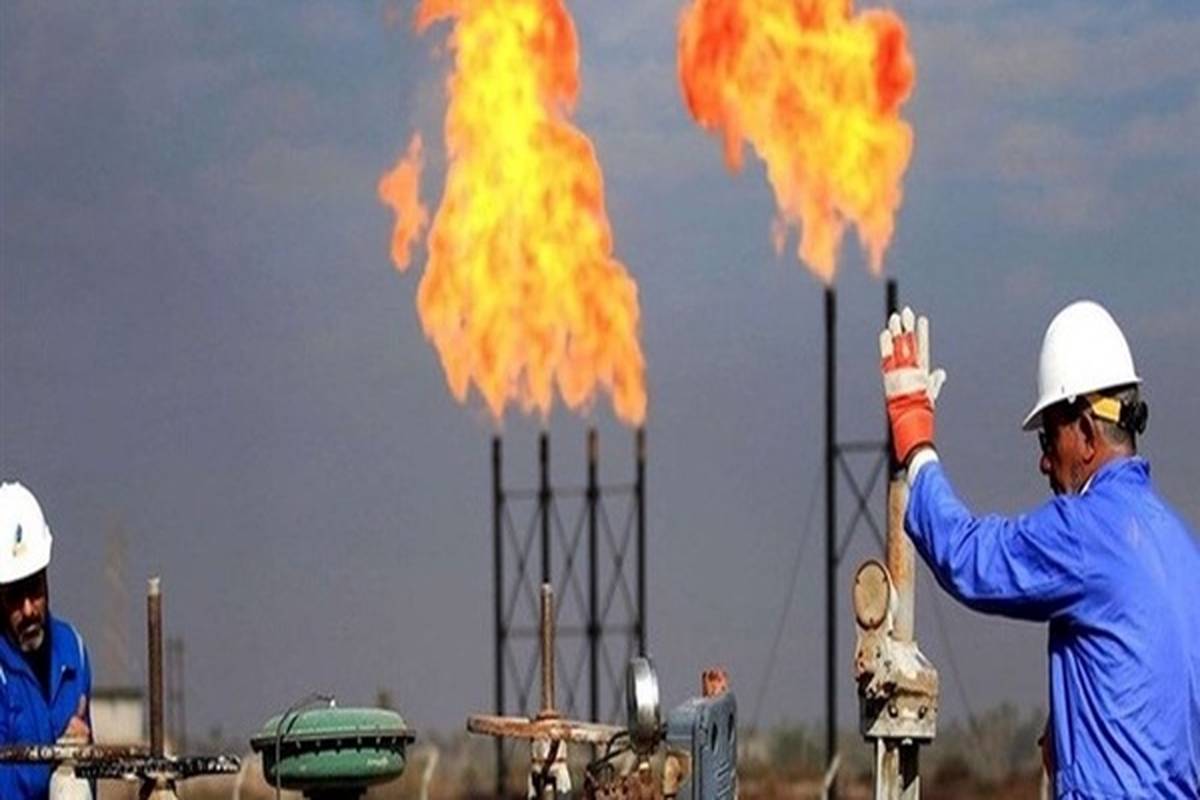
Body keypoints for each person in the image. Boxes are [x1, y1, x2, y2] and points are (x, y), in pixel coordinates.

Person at [879, 300, 1200, 798]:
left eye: (1048, 440)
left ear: (1086, 433)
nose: (1044, 464)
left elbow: (971, 558)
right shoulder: (1180, 548)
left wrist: (916, 447)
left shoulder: (1088, 531)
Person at [0, 481, 93, 799]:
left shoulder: (73, 653)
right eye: (14, 596)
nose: (28, 609)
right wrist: (56, 761)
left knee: (72, 785)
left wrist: (81, 754)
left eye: (34, 588)